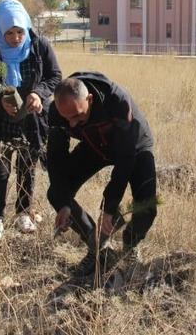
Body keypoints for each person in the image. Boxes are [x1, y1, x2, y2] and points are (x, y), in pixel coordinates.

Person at [47, 73, 157, 275]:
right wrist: (63, 203)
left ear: (89, 99)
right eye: (67, 118)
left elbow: (126, 159)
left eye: (78, 116)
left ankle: (130, 245)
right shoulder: (57, 111)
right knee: (56, 193)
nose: (72, 124)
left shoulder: (117, 101)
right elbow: (55, 158)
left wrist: (110, 205)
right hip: (94, 145)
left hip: (133, 146)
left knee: (147, 205)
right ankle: (97, 246)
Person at [0, 0, 61, 242]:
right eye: (9, 33)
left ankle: (23, 212)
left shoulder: (39, 45)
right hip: (0, 122)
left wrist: (38, 94)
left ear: (26, 27)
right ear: (1, 31)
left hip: (31, 121)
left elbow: (55, 76)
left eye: (19, 31)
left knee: (27, 168)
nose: (15, 38)